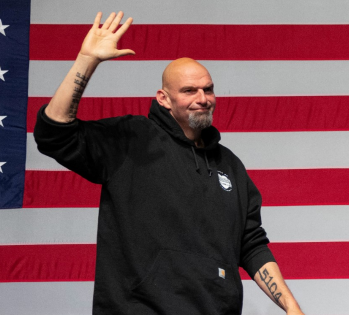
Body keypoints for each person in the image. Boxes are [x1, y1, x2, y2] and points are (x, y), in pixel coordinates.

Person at [34, 11, 305, 315]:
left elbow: (251, 243)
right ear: (163, 99)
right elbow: (53, 134)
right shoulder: (131, 138)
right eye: (189, 90)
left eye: (208, 89)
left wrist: (291, 307)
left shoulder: (230, 166)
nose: (203, 98)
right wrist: (86, 61)